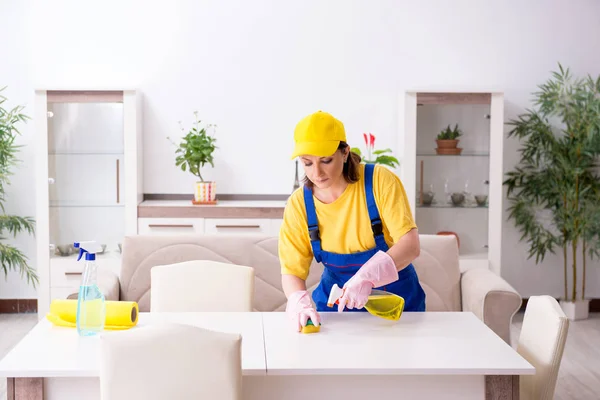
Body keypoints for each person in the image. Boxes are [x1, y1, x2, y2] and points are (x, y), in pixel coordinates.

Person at [279, 110, 426, 332]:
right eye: (307, 163)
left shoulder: (379, 182)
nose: (316, 173)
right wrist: (298, 301)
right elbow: (292, 271)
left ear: (345, 152)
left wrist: (367, 277)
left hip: (396, 308)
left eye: (326, 160)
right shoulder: (300, 204)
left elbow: (411, 245)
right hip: (335, 312)